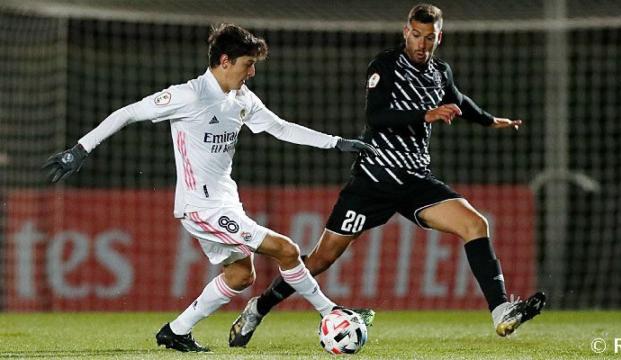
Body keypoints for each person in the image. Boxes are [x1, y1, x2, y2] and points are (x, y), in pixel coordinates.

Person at [43, 23, 377, 353]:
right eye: (248, 65)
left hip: (226, 201)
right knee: (287, 250)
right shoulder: (189, 95)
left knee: (240, 276)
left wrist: (336, 143)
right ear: (225, 61)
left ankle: (176, 331)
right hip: (200, 207)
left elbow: (279, 127)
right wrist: (80, 149)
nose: (252, 74)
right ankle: (330, 311)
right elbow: (128, 113)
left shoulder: (241, 98)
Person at [228, 3, 546, 347]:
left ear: (440, 37)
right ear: (405, 31)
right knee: (321, 258)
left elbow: (459, 101)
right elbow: (377, 116)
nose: (422, 44)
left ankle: (501, 311)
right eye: (416, 35)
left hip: (414, 181)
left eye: (430, 37)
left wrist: (490, 120)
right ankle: (257, 309)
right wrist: (426, 114)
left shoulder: (441, 71)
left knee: (475, 224)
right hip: (373, 181)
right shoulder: (386, 65)